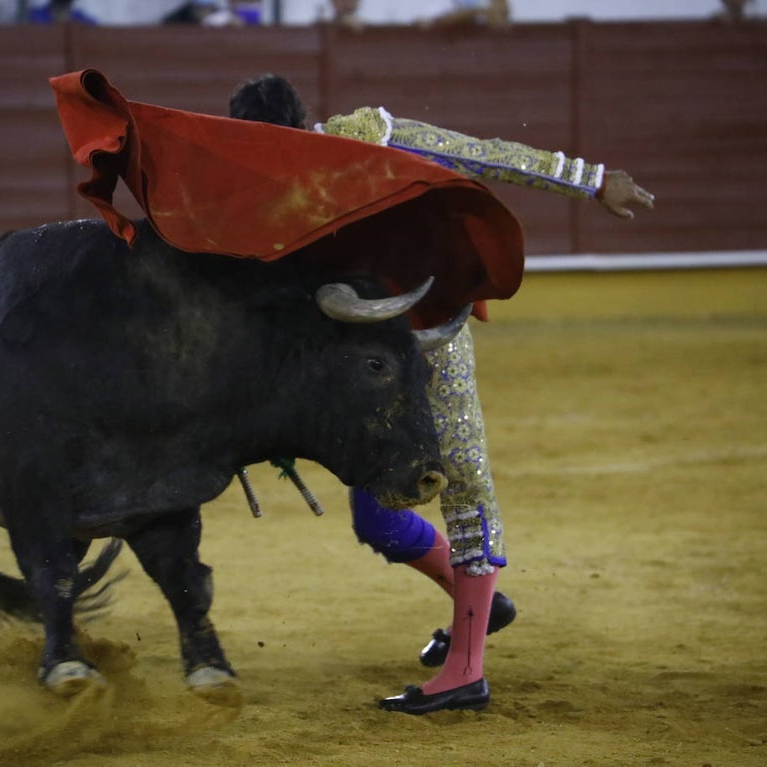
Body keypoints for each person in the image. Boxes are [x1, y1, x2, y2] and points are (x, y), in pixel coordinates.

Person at [228, 74, 654, 714]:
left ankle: (466, 671)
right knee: (378, 518)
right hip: (359, 359)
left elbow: (477, 153)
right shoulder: (259, 189)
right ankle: (482, 602)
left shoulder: (369, 138)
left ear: (299, 128)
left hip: (429, 336)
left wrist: (591, 180)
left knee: (463, 480)